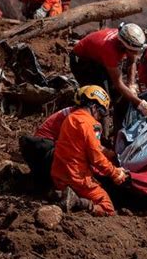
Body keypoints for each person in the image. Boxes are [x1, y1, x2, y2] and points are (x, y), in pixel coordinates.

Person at [51, 85, 129, 216]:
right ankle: (80, 203)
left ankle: (62, 194)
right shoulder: (91, 124)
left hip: (58, 175)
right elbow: (96, 157)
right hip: (76, 178)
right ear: (94, 107)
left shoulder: (70, 118)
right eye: (102, 112)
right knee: (107, 207)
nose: (99, 117)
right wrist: (115, 173)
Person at [70, 23, 147, 119]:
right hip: (82, 62)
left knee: (119, 95)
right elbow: (118, 84)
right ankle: (99, 128)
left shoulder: (126, 39)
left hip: (98, 60)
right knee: (101, 99)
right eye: (133, 51)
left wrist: (131, 84)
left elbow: (132, 61)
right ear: (123, 46)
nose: (135, 54)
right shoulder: (110, 50)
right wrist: (140, 103)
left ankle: (118, 126)